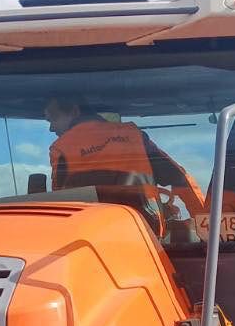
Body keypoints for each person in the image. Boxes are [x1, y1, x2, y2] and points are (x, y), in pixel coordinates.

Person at [43, 97, 205, 241]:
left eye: (54, 119)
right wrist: (206, 225)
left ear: (74, 111)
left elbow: (60, 204)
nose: (51, 128)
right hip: (148, 234)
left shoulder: (61, 148)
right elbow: (179, 178)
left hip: (90, 239)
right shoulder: (134, 136)